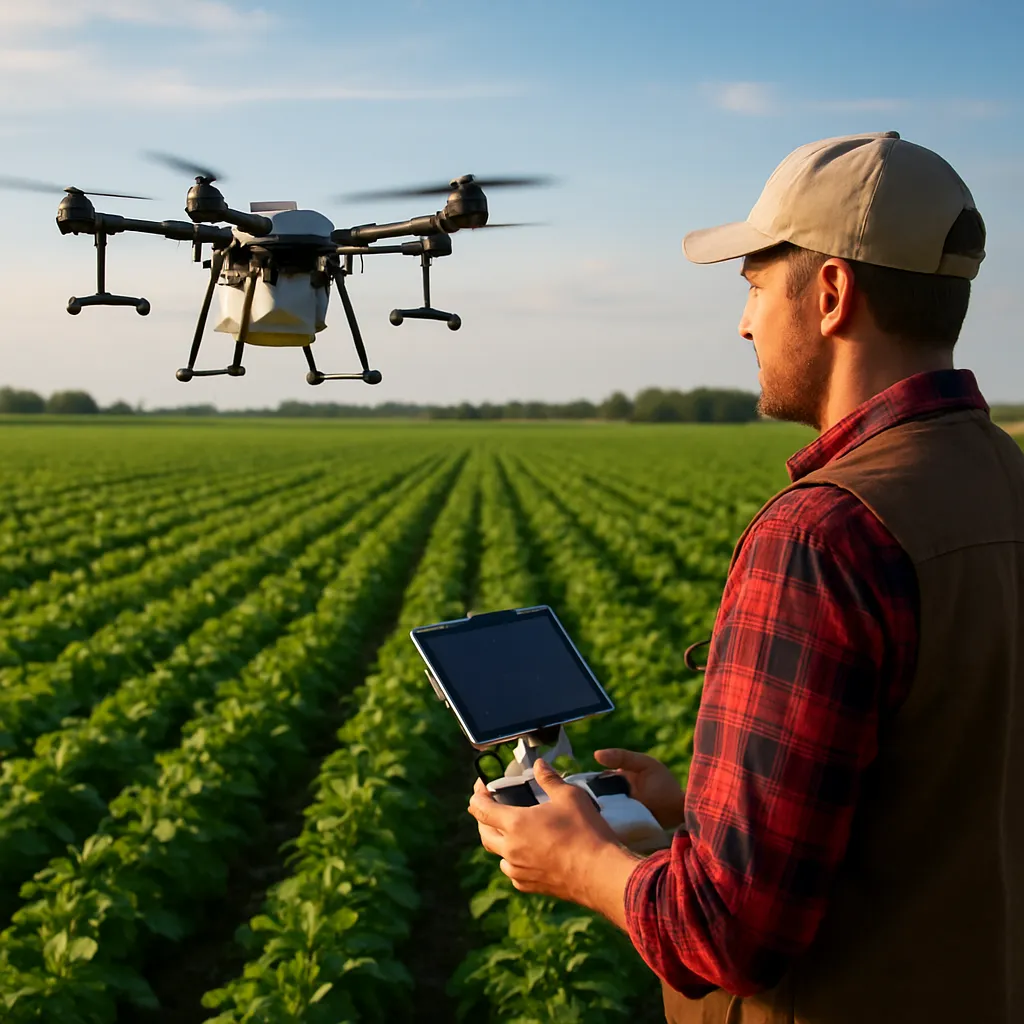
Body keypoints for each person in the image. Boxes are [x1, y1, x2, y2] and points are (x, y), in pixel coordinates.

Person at [468, 131, 1023, 1024]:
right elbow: (950, 796)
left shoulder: (824, 534)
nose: (744, 322)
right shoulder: (1003, 477)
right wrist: (697, 816)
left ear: (832, 293)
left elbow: (729, 936)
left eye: (757, 285)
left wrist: (585, 863)